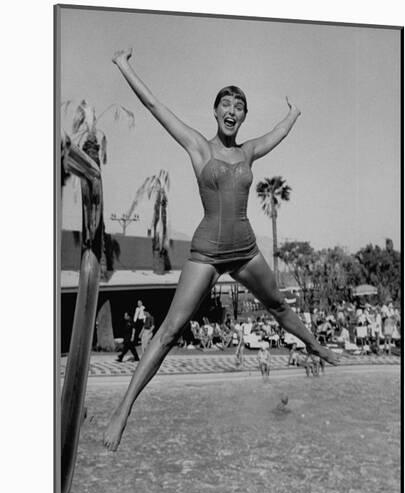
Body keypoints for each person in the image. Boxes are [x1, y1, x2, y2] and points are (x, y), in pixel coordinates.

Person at [103, 48, 339, 451]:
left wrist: (294, 113)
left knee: (279, 305)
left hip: (245, 249)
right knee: (169, 331)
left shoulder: (247, 152)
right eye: (226, 104)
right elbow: (155, 105)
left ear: (243, 116)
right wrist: (125, 65)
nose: (233, 110)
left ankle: (314, 344)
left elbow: (276, 135)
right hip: (208, 253)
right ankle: (124, 408)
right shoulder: (198, 146)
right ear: (215, 111)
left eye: (240, 106)